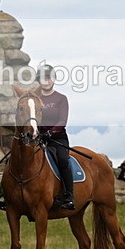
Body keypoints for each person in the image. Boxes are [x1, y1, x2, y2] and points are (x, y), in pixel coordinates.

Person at [36, 64, 75, 210]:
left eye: (49, 78)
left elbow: (62, 121)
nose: (46, 81)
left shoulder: (61, 99)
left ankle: (68, 195)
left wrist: (49, 133)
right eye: (43, 78)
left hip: (57, 139)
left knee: (63, 159)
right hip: (38, 138)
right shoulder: (36, 99)